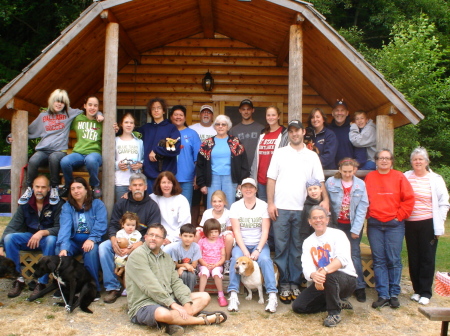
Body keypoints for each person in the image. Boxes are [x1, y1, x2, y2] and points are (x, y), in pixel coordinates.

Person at [267, 120, 328, 304]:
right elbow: (271, 179)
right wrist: (270, 203)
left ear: (303, 132)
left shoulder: (311, 156)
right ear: (289, 134)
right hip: (281, 208)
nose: (294, 134)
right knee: (281, 247)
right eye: (291, 131)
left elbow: (320, 181)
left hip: (304, 209)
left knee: (297, 248)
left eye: (297, 131)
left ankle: (294, 282)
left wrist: (325, 199)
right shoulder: (279, 153)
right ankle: (283, 283)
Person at [126, 224, 227, 336]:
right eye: (151, 235)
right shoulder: (138, 255)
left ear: (163, 240)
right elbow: (150, 285)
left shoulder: (166, 257)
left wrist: (186, 303)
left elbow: (176, 282)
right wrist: (173, 304)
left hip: (168, 298)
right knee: (164, 314)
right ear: (145, 237)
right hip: (145, 303)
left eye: (158, 236)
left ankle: (174, 321)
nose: (153, 238)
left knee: (204, 297)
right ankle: (202, 320)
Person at [8, 89, 102, 205]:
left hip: (59, 150)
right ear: (51, 101)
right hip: (43, 149)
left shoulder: (69, 114)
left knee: (54, 158)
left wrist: (99, 113)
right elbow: (29, 130)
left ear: (65, 104)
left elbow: (90, 111)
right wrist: (13, 136)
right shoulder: (43, 116)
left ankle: (54, 188)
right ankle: (29, 188)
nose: (59, 104)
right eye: (56, 101)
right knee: (33, 161)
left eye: (62, 102)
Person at [99, 172, 161, 304]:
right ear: (130, 187)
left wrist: (140, 243)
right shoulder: (122, 203)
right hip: (120, 240)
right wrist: (113, 239)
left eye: (140, 185)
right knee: (103, 247)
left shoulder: (152, 206)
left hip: (141, 244)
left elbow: (153, 231)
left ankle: (138, 289)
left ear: (145, 187)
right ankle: (113, 287)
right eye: (134, 185)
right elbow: (113, 225)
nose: (137, 188)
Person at [292, 206, 357, 328]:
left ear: (327, 220)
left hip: (346, 279)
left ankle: (334, 313)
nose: (318, 220)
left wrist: (324, 271)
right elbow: (307, 266)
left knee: (330, 274)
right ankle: (338, 302)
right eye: (314, 218)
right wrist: (314, 275)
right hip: (322, 281)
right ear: (310, 221)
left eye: (321, 217)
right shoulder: (308, 242)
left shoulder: (338, 234)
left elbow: (343, 260)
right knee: (299, 306)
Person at [365, 149, 415, 309]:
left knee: (393, 260)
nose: (384, 161)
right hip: (375, 224)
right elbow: (364, 198)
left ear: (391, 161)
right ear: (376, 161)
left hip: (394, 224)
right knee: (378, 260)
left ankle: (394, 293)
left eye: (387, 158)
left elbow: (409, 199)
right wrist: (368, 215)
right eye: (381, 158)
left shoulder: (399, 176)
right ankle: (383, 294)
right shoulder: (370, 177)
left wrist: (399, 216)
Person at [0, 175, 63, 298]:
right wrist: (1, 245)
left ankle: (42, 282)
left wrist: (41, 233)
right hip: (30, 238)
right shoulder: (26, 203)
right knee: (10, 238)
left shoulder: (57, 203)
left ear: (49, 189)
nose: (39, 190)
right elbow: (12, 226)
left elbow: (59, 227)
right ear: (32, 188)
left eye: (43, 187)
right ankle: (18, 279)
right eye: (37, 187)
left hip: (46, 239)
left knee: (51, 239)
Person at [404, 147, 449, 305]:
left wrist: (440, 221)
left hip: (428, 222)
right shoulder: (406, 176)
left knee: (427, 257)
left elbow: (444, 202)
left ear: (426, 162)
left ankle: (426, 292)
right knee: (414, 257)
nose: (417, 162)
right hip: (410, 223)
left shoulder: (435, 179)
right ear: (411, 162)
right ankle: (416, 290)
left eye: (420, 159)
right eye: (415, 159)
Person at [227, 178, 278, 313]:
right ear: (241, 189)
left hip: (258, 243)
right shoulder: (235, 206)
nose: (248, 189)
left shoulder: (263, 205)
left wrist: (258, 250)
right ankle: (233, 295)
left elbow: (265, 231)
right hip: (242, 244)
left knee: (265, 260)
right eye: (245, 187)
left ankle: (272, 295)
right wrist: (244, 251)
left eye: (251, 187)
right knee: (235, 260)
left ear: (256, 189)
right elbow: (236, 231)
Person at [326, 158, 369, 302]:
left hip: (352, 224)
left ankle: (359, 286)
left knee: (354, 254)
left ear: (355, 170)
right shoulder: (331, 182)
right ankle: (335, 285)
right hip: (335, 224)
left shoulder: (360, 184)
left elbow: (363, 208)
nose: (347, 174)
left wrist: (356, 229)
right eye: (344, 171)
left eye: (350, 171)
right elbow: (327, 203)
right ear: (340, 169)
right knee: (333, 254)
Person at [57, 177, 107, 297]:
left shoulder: (97, 204)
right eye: (73, 189)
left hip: (90, 240)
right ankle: (66, 287)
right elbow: (65, 227)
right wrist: (64, 246)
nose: (76, 191)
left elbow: (101, 224)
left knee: (91, 250)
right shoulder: (67, 206)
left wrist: (91, 239)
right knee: (61, 251)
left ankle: (93, 286)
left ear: (86, 189)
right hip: (73, 241)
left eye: (79, 187)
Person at [196, 114, 249, 209]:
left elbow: (243, 163)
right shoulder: (207, 143)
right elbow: (200, 165)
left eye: (223, 124)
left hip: (230, 179)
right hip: (212, 179)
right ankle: (212, 224)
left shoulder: (235, 142)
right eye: (218, 124)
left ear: (228, 127)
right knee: (212, 206)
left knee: (229, 206)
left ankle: (229, 224)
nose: (220, 126)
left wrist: (241, 182)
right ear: (214, 126)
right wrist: (202, 184)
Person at [60, 96, 104, 199]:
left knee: (91, 160)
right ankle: (68, 186)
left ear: (98, 108)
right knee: (65, 161)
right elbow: (63, 122)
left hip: (94, 153)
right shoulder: (77, 119)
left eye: (95, 105)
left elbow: (114, 129)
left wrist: (101, 115)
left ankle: (94, 185)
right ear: (85, 106)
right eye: (90, 105)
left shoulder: (101, 121)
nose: (92, 107)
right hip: (78, 153)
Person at [135, 97, 181, 188]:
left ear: (164, 111)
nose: (156, 110)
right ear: (150, 112)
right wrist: (118, 130)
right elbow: (129, 135)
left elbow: (175, 148)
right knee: (151, 202)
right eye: (153, 108)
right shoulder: (145, 128)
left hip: (166, 176)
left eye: (159, 108)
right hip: (148, 175)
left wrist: (156, 150)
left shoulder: (171, 128)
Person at [250, 105, 286, 201]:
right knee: (264, 210)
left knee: (275, 210)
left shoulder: (284, 133)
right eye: (268, 115)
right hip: (261, 178)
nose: (270, 117)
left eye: (273, 115)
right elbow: (256, 157)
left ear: (278, 116)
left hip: (276, 179)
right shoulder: (263, 133)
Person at [150, 171, 191, 253]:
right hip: (157, 237)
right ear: (159, 184)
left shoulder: (181, 200)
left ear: (173, 184)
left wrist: (170, 239)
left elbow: (185, 224)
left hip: (176, 238)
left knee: (165, 251)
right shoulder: (152, 198)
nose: (166, 185)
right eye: (163, 182)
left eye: (169, 182)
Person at [189, 104, 217, 224]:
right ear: (200, 114)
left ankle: (208, 228)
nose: (206, 114)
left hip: (210, 171)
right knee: (194, 202)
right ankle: (193, 227)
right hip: (194, 169)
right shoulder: (192, 129)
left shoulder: (217, 129)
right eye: (203, 112)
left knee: (208, 202)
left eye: (209, 112)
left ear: (212, 115)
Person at [169, 105, 201, 206]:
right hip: (169, 178)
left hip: (187, 178)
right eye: (175, 115)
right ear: (171, 117)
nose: (178, 117)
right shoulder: (166, 132)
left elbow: (198, 157)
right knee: (170, 207)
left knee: (185, 207)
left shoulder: (192, 133)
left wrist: (197, 176)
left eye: (181, 115)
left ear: (185, 117)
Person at [196, 190, 234, 275]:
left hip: (221, 239)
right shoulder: (207, 212)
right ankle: (196, 261)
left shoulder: (228, 213)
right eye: (214, 201)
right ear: (211, 202)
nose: (217, 204)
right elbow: (203, 227)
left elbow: (229, 229)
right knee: (197, 232)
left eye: (220, 201)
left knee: (229, 236)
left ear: (224, 202)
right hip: (208, 237)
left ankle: (226, 262)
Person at [114, 113, 144, 201]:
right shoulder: (115, 140)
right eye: (126, 122)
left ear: (134, 125)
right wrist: (117, 165)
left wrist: (140, 165)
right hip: (120, 182)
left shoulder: (139, 142)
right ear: (121, 124)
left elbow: (142, 159)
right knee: (122, 209)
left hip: (136, 182)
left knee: (136, 210)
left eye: (131, 123)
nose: (129, 125)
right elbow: (109, 160)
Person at [328, 100, 366, 168]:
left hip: (350, 172)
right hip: (330, 173)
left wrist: (350, 166)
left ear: (347, 113)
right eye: (337, 110)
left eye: (342, 110)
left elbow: (361, 156)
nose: (339, 113)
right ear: (332, 113)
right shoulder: (327, 130)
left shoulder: (354, 129)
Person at [198, 219, 227, 307]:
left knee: (216, 274)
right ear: (206, 232)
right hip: (204, 264)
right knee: (204, 273)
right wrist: (205, 264)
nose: (214, 234)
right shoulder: (202, 241)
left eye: (216, 231)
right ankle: (200, 294)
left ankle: (221, 295)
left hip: (217, 265)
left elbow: (223, 256)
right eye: (211, 232)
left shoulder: (220, 241)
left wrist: (217, 264)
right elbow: (199, 256)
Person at [229, 99, 264, 168]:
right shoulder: (233, 130)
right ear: (240, 111)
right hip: (240, 167)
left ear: (253, 110)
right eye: (243, 109)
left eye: (248, 109)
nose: (246, 112)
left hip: (257, 167)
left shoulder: (261, 129)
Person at [170, 224, 201, 292]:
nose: (187, 239)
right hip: (179, 269)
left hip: (192, 269)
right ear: (180, 236)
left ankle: (189, 294)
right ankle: (182, 294)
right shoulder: (175, 248)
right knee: (183, 275)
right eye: (185, 236)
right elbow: (175, 264)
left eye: (190, 236)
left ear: (194, 237)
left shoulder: (196, 247)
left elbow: (194, 265)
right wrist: (184, 266)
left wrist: (184, 266)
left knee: (191, 275)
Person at [114, 212, 142, 277]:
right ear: (123, 224)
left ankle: (123, 269)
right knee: (118, 261)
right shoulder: (120, 233)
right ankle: (120, 269)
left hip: (131, 254)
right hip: (121, 253)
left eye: (133, 225)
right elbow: (118, 243)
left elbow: (138, 245)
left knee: (131, 263)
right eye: (128, 225)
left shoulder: (137, 234)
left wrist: (129, 249)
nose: (130, 227)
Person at [299, 178, 324, 248]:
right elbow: (304, 228)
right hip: (313, 239)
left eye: (315, 188)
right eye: (310, 189)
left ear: (321, 189)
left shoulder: (326, 204)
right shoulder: (307, 207)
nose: (313, 191)